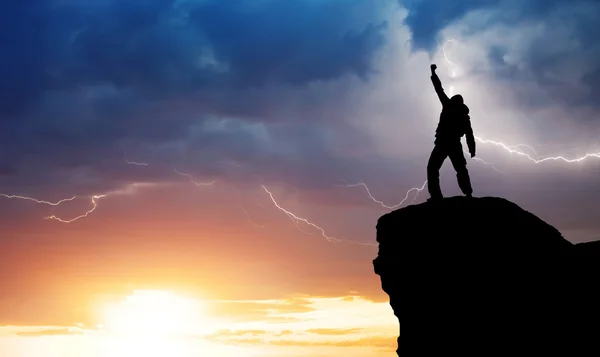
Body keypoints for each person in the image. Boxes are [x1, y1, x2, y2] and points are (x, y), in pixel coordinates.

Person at [427, 64, 475, 201]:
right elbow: (469, 134)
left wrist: (433, 73)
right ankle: (468, 193)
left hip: (443, 143)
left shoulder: (448, 106)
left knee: (433, 168)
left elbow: (438, 89)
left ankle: (436, 196)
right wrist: (472, 149)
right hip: (453, 144)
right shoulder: (464, 116)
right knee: (460, 169)